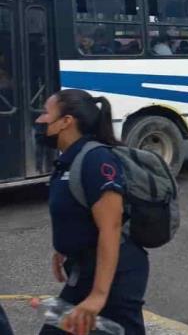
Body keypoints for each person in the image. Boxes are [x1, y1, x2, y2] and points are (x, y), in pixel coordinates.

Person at [35, 89, 148, 335]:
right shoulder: (68, 160)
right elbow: (74, 212)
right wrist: (63, 247)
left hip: (116, 276)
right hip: (82, 269)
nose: (39, 120)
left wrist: (98, 296)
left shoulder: (96, 160)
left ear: (66, 122)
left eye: (45, 113)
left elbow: (111, 226)